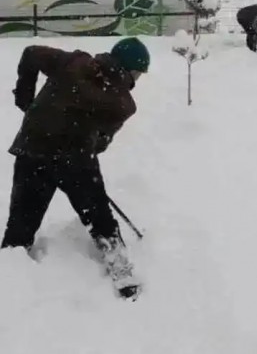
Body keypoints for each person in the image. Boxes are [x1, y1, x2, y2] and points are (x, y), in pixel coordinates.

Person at [4, 37, 151, 299]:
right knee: (100, 218)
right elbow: (101, 142)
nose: (137, 79)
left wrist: (25, 96)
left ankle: (10, 271)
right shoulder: (123, 104)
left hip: (32, 150)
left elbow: (30, 53)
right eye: (138, 73)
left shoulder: (72, 61)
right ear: (130, 70)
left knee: (21, 224)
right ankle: (121, 269)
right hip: (75, 162)